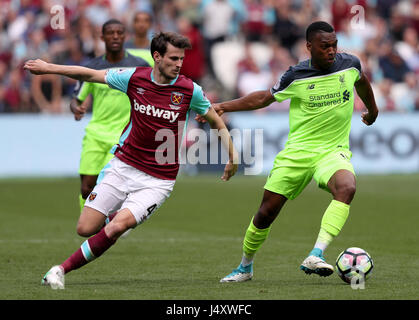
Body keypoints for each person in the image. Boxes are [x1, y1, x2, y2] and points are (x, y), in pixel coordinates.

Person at [24, 31, 238, 289]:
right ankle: (116, 216)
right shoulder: (133, 78)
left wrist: (232, 156)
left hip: (159, 180)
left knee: (116, 229)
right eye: (173, 58)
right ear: (157, 57)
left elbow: (216, 120)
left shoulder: (189, 89)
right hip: (123, 166)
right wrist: (48, 68)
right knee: (85, 227)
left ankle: (59, 270)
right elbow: (88, 74)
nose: (179, 64)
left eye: (181, 59)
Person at [198, 21, 379, 282]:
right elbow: (264, 98)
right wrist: (224, 106)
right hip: (297, 152)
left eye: (334, 45)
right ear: (309, 47)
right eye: (324, 46)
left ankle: (316, 253)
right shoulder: (296, 75)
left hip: (332, 151)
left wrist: (372, 110)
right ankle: (245, 267)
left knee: (347, 188)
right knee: (266, 213)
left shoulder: (350, 64)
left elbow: (362, 82)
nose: (331, 51)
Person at [70, 19, 149, 213]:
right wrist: (76, 108)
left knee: (107, 187)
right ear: (102, 37)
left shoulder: (139, 66)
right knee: (86, 187)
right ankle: (89, 225)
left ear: (125, 36)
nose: (115, 36)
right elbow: (76, 99)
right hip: (95, 135)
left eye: (119, 33)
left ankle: (104, 228)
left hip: (122, 137)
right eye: (111, 33)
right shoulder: (92, 67)